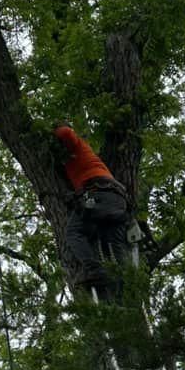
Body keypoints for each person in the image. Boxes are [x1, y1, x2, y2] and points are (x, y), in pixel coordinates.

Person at [53, 124, 130, 294]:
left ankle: (95, 270)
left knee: (74, 232)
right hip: (117, 200)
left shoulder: (77, 145)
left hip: (99, 195)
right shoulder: (80, 160)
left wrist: (54, 131)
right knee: (114, 245)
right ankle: (125, 285)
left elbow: (65, 132)